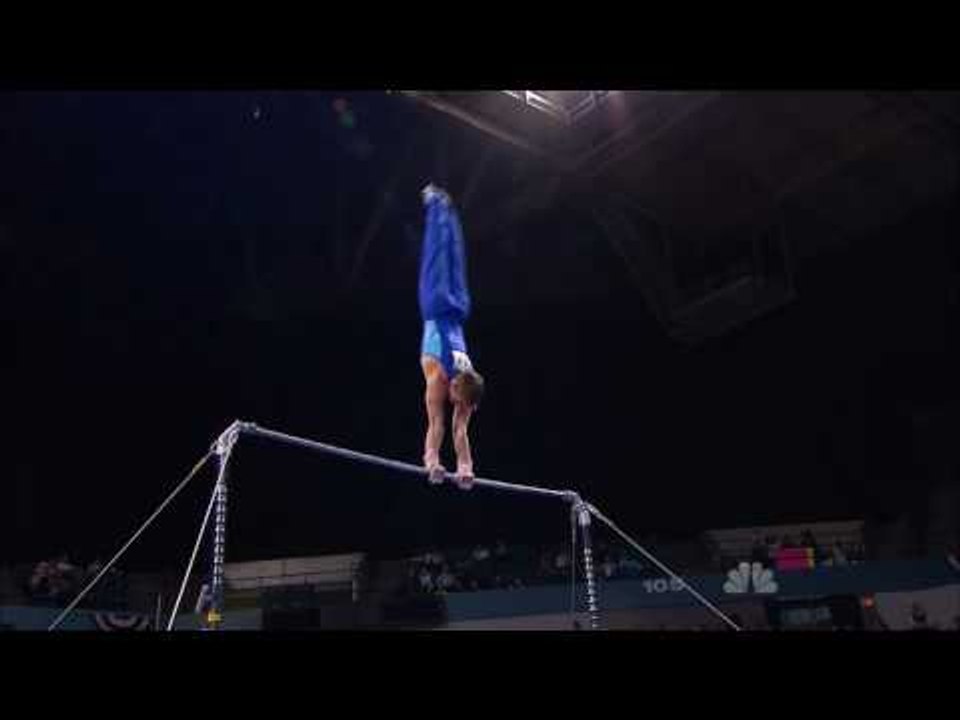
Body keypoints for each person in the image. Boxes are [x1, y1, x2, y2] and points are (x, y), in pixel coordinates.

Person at [418, 183, 485, 489]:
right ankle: (437, 204)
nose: (458, 406)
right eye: (459, 401)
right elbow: (439, 425)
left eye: (463, 405)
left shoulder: (467, 392)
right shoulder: (438, 379)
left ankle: (446, 208)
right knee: (441, 256)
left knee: (453, 257)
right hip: (441, 307)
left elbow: (459, 430)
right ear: (457, 385)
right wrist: (432, 460)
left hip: (455, 309)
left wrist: (464, 468)